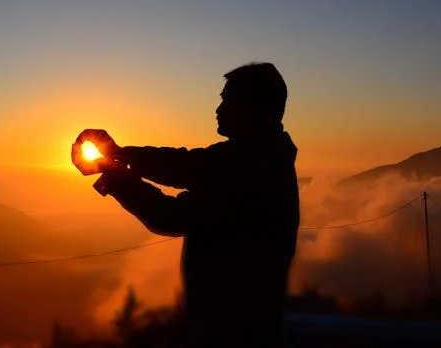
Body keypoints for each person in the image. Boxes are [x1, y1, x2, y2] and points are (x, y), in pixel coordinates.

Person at [76, 62, 299, 347]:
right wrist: (118, 156)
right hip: (237, 323)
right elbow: (185, 165)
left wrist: (116, 174)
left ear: (256, 108)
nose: (218, 110)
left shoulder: (254, 168)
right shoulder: (256, 156)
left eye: (228, 101)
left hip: (234, 329)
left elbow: (170, 216)